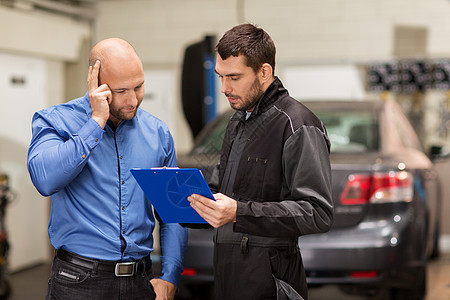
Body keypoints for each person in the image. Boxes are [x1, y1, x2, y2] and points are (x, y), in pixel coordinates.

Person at [27, 38, 188, 300]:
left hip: (140, 281)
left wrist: (170, 276)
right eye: (122, 90)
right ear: (96, 82)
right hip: (78, 282)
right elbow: (44, 180)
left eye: (139, 86)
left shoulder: (158, 133)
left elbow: (173, 210)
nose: (133, 100)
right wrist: (96, 122)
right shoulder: (55, 120)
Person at [188, 24, 334, 299]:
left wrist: (239, 213)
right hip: (230, 277)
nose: (224, 88)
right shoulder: (237, 122)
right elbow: (227, 193)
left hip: (271, 282)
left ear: (264, 72)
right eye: (221, 77)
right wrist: (182, 200)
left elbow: (317, 212)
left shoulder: (297, 125)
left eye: (234, 77)